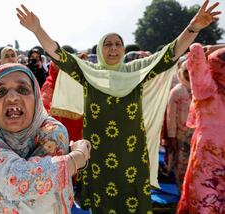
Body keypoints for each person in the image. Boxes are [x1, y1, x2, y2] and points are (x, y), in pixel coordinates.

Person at [17, 1, 220, 212]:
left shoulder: (137, 71)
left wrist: (193, 26)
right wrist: (37, 30)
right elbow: (58, 54)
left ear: (123, 49)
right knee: (101, 202)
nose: (113, 48)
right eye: (108, 44)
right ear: (100, 48)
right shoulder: (88, 72)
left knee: (132, 198)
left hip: (131, 152)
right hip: (97, 151)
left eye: (118, 44)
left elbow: (171, 53)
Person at [0, 63, 91, 213]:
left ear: (36, 98)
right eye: (1, 92)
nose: (12, 97)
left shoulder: (53, 131)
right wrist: (75, 160)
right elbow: (21, 185)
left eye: (23, 89)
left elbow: (39, 205)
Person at [177, 44, 225, 213]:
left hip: (208, 155)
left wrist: (211, 48)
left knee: (206, 202)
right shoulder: (208, 89)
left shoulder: (205, 88)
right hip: (211, 156)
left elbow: (196, 49)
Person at [165, 62, 193, 190]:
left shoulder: (201, 88)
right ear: (181, 72)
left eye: (192, 70)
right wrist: (171, 137)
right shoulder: (177, 91)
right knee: (181, 165)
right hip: (180, 136)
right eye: (186, 71)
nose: (189, 74)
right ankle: (181, 193)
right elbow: (170, 117)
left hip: (196, 135)